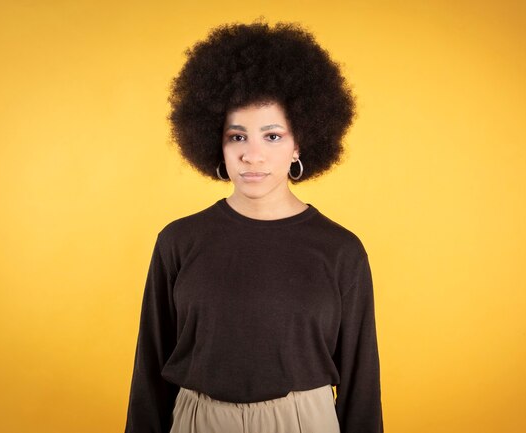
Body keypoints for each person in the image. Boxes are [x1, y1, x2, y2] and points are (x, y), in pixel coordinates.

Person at [124, 19, 383, 433]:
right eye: (237, 137)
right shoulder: (178, 241)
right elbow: (150, 368)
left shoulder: (341, 250)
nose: (253, 155)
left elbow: (361, 382)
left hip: (304, 422)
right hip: (198, 420)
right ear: (216, 142)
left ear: (300, 143)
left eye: (273, 136)